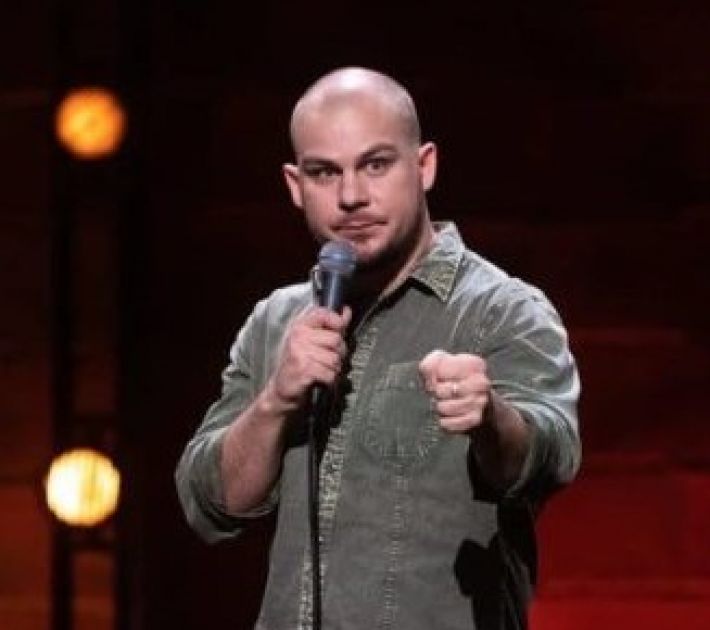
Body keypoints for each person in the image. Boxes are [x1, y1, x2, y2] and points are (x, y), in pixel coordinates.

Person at [175, 66, 581, 630]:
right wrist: (275, 402)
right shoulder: (276, 322)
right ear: (295, 185)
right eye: (324, 173)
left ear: (424, 166)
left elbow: (550, 458)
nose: (351, 196)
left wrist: (491, 416)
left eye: (376, 164)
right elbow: (210, 504)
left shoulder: (501, 310)